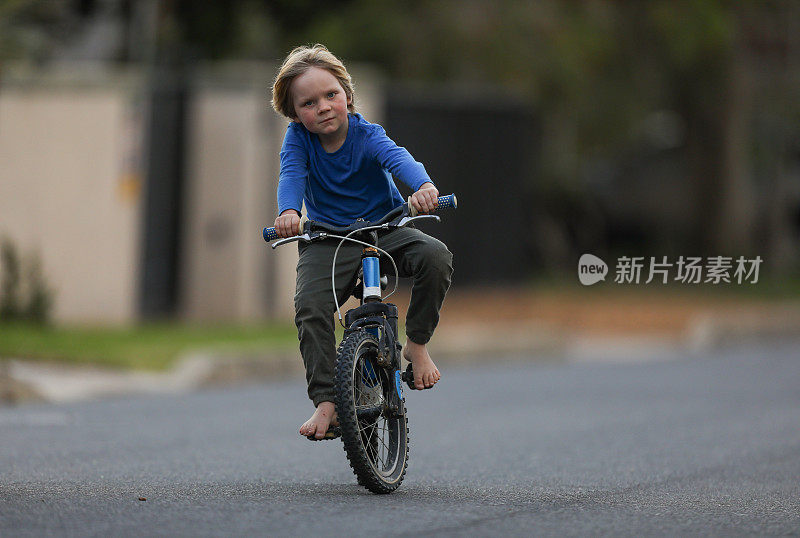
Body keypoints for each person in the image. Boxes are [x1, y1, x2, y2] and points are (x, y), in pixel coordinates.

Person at [270, 44, 453, 440]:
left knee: (435, 256)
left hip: (385, 229)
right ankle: (327, 401)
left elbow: (398, 157)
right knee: (310, 306)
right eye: (308, 103)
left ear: (348, 97)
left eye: (331, 95)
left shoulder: (367, 134)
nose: (322, 107)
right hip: (329, 238)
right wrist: (288, 212)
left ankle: (417, 345)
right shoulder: (298, 140)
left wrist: (422, 186)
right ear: (294, 112)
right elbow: (291, 175)